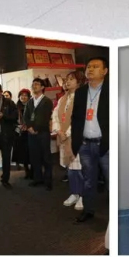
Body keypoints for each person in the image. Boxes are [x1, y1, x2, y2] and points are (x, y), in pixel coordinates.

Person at [71, 57, 109, 224]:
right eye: (88, 67)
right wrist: (75, 143)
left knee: (111, 180)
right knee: (88, 180)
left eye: (95, 66)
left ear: (105, 71)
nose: (90, 69)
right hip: (85, 144)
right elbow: (75, 119)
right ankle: (88, 210)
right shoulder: (80, 92)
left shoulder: (111, 90)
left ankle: (114, 217)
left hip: (105, 145)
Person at [52, 69, 86, 211]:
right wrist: (59, 131)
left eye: (71, 79)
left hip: (77, 138)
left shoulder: (83, 97)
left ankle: (83, 196)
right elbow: (55, 115)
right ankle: (74, 193)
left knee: (80, 169)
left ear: (79, 82)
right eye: (66, 79)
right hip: (63, 138)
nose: (67, 82)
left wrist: (67, 132)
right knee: (70, 169)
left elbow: (80, 119)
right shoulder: (62, 98)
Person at [23, 78, 54, 189]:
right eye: (33, 84)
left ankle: (48, 180)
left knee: (46, 157)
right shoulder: (30, 101)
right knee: (34, 157)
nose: (34, 86)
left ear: (42, 87)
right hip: (31, 133)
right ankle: (37, 178)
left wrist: (36, 128)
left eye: (37, 84)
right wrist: (29, 127)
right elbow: (25, 116)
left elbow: (45, 117)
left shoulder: (47, 101)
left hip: (43, 133)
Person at [14, 88, 33, 178]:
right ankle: (26, 170)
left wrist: (28, 125)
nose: (23, 97)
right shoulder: (15, 106)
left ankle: (33, 170)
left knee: (31, 152)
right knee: (23, 153)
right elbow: (13, 119)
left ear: (29, 97)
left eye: (25, 95)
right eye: (21, 95)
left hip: (30, 131)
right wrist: (18, 126)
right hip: (20, 132)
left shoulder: (32, 105)